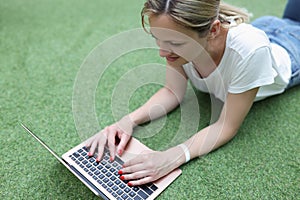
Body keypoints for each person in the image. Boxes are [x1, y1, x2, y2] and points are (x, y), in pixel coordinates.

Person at [86, 0, 300, 187]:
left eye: (174, 43)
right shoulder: (177, 38)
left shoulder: (250, 51)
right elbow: (172, 91)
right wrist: (128, 120)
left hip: (291, 46)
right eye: (157, 39)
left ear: (213, 30)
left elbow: (225, 125)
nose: (162, 51)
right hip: (269, 26)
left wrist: (172, 156)